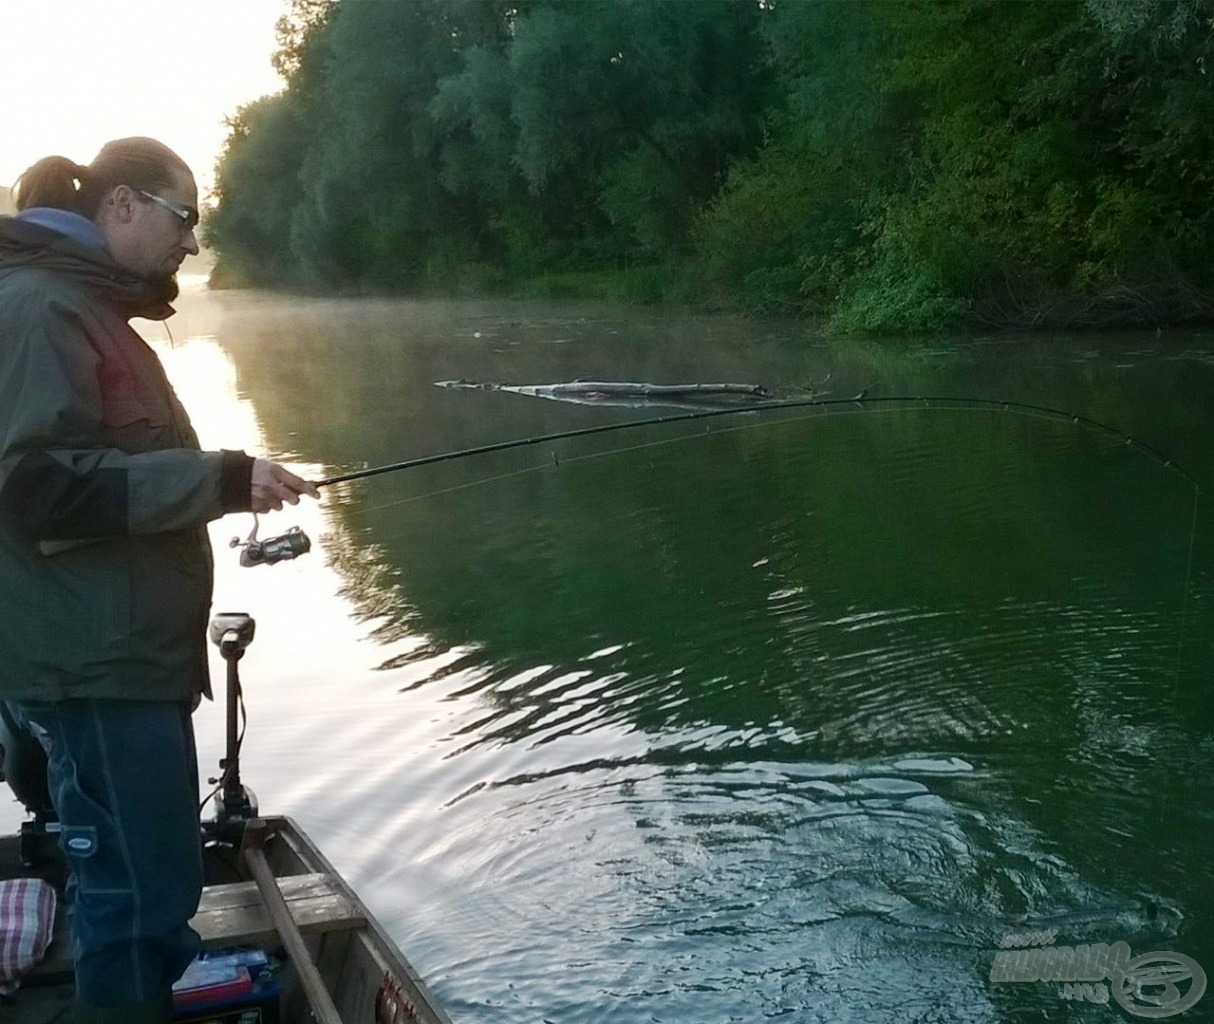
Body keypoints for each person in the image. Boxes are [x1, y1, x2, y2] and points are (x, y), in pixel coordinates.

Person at [0, 138, 318, 1023]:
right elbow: (38, 490)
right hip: (91, 666)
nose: (191, 241)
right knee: (135, 903)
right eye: (185, 218)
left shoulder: (82, 307)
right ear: (125, 205)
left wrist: (223, 478)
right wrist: (219, 479)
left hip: (118, 657)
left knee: (149, 886)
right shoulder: (38, 308)